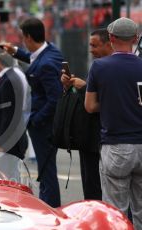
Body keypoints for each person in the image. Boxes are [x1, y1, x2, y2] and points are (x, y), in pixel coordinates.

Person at [85, 17, 142, 229]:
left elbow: (90, 106)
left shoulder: (99, 66)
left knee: (115, 212)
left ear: (111, 38)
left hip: (115, 145)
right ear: (135, 38)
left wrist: (111, 102)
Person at [2, 17, 63, 207]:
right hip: (45, 122)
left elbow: (55, 98)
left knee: (46, 169)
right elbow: (34, 58)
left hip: (44, 125)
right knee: (46, 168)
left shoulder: (46, 64)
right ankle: (48, 202)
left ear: (28, 37)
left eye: (22, 38)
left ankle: (50, 206)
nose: (22, 41)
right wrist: (16, 52)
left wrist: (36, 119)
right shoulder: (50, 52)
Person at [60, 28, 113, 200]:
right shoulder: (96, 66)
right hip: (89, 137)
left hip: (105, 138)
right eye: (90, 45)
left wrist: (84, 88)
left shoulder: (110, 67)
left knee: (100, 190)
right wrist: (72, 87)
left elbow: (96, 104)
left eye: (94, 45)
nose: (91, 49)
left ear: (109, 43)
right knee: (91, 187)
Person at [0, 53, 28, 160]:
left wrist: (1, 143)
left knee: (5, 173)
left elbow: (9, 116)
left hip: (4, 144)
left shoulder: (9, 81)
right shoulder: (5, 78)